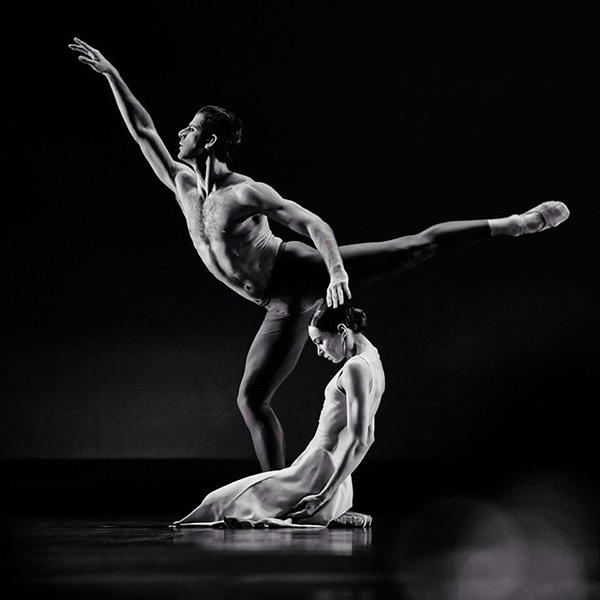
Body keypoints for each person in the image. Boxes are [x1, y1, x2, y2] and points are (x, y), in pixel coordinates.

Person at [69, 38, 570, 471]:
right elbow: (144, 132)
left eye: (191, 128)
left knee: (413, 248)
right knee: (251, 400)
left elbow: (313, 223)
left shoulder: (244, 193)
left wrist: (333, 271)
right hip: (277, 303)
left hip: (296, 267)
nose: (180, 133)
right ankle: (278, 494)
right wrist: (113, 75)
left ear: (210, 140)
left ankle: (513, 224)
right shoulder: (181, 184)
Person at [171, 301, 383, 528]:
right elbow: (366, 436)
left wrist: (324, 495)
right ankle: (330, 512)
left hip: (316, 472)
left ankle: (325, 510)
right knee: (234, 507)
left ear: (341, 330)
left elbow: (361, 439)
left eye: (320, 342)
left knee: (216, 504)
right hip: (325, 470)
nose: (319, 351)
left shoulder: (355, 369)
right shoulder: (373, 360)